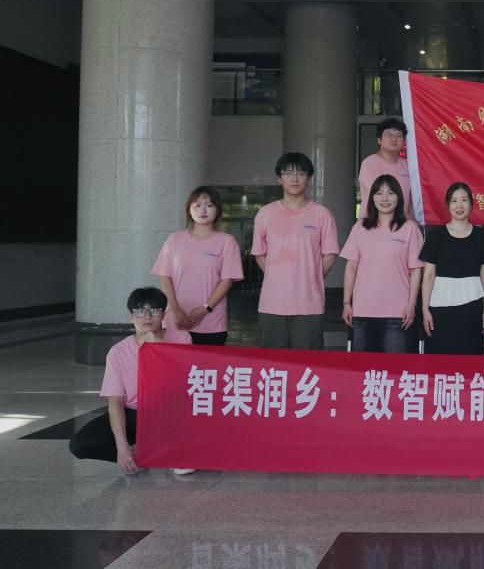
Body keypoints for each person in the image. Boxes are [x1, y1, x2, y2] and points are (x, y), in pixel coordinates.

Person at [69, 287, 193, 475]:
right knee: (80, 445)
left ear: (163, 314)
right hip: (135, 414)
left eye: (154, 310)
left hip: (171, 412)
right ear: (131, 316)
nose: (147, 316)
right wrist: (122, 447)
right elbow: (115, 402)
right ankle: (138, 457)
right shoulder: (118, 352)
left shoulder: (181, 338)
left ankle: (168, 450)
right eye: (140, 310)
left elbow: (183, 379)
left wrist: (157, 346)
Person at [252, 152, 341, 350]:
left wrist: (311, 276)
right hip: (272, 303)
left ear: (309, 179)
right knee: (271, 363)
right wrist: (277, 275)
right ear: (279, 178)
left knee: (307, 363)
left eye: (301, 173)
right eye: (288, 173)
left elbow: (330, 254)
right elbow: (259, 253)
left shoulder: (322, 214)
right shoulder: (265, 214)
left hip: (308, 304)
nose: (294, 178)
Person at [341, 174, 424, 353]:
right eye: (379, 193)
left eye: (390, 193)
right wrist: (347, 302)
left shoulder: (410, 228)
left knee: (395, 368)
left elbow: (416, 270)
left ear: (399, 197)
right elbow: (351, 266)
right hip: (362, 310)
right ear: (371, 197)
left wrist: (411, 304)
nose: (384, 198)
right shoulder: (360, 227)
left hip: (398, 312)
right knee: (363, 368)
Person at [152, 186, 244, 346]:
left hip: (212, 322)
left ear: (217, 210)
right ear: (189, 210)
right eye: (197, 205)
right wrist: (176, 310)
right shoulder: (174, 240)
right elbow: (165, 277)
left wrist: (204, 309)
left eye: (209, 205)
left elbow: (227, 280)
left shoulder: (227, 241)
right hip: (175, 320)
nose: (203, 210)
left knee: (208, 362)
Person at [420, 182, 484, 355]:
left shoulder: (481, 236)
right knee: (439, 357)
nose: (459, 205)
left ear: (471, 204)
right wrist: (425, 309)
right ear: (448, 205)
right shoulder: (436, 235)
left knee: (470, 357)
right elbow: (428, 275)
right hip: (440, 305)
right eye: (454, 201)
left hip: (473, 306)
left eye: (464, 200)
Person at [359, 117, 413, 218]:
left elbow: (411, 201)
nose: (394, 139)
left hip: (402, 222)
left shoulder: (408, 166)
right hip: (373, 222)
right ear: (379, 140)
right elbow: (377, 195)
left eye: (399, 136)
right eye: (389, 135)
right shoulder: (370, 163)